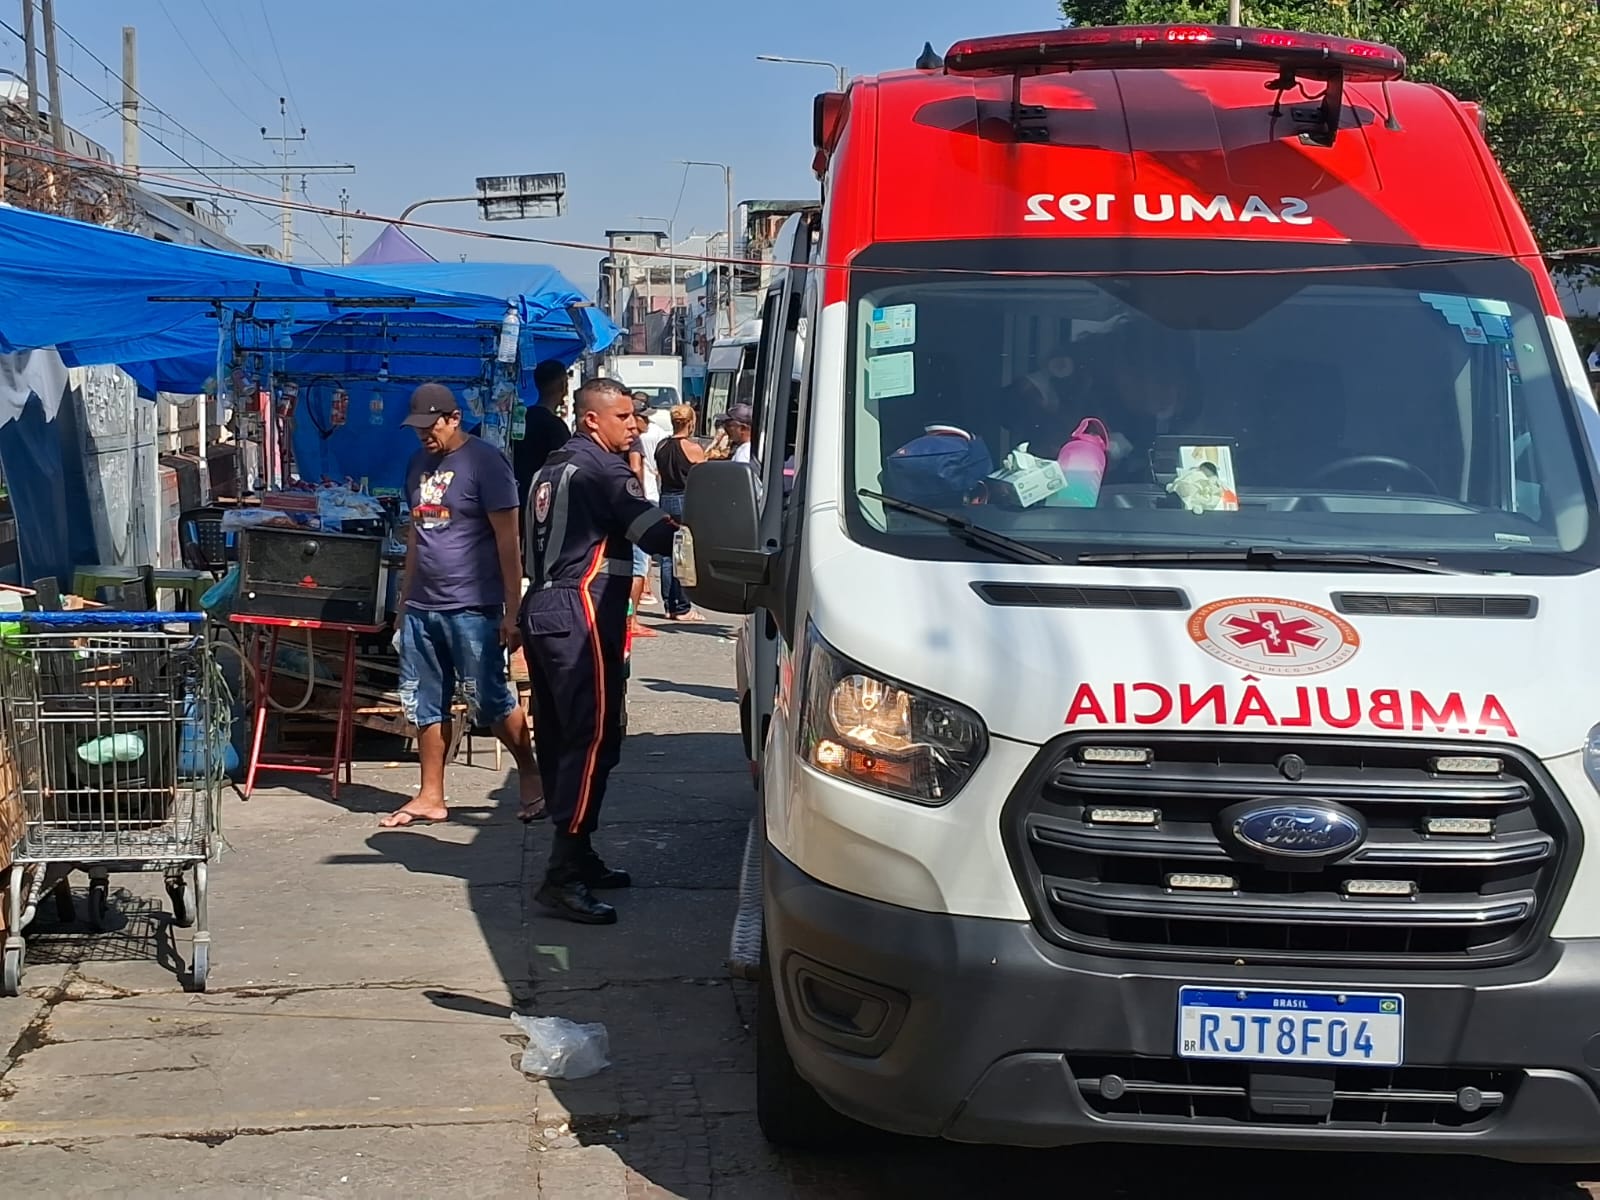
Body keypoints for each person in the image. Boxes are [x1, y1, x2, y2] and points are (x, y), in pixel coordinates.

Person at [520, 378, 677, 924]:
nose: (634, 426)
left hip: (543, 606)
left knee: (563, 736)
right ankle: (561, 872)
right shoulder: (602, 469)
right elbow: (656, 534)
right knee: (591, 739)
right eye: (625, 417)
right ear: (593, 419)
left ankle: (578, 854)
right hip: (580, 611)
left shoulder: (551, 466)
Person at [383, 383, 544, 828]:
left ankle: (529, 773)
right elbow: (417, 534)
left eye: (430, 425)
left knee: (489, 698)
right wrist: (403, 600)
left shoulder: (485, 463)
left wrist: (513, 610)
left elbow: (508, 541)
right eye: (417, 428)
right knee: (423, 702)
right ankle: (430, 794)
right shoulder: (417, 465)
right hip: (422, 605)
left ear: (453, 417)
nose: (424, 435)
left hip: (474, 605)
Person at [654, 403, 706, 621]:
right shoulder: (693, 448)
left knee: (667, 554)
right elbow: (702, 475)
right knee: (685, 554)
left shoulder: (661, 446)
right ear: (691, 422)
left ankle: (669, 605)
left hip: (665, 498)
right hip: (684, 499)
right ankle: (683, 606)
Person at [513, 359, 572, 514]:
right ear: (562, 385)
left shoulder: (520, 419)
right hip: (543, 504)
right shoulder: (555, 426)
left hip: (515, 497)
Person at [625, 397, 660, 640]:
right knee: (638, 565)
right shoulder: (634, 440)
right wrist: (638, 494)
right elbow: (636, 467)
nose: (647, 421)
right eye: (643, 416)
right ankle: (632, 619)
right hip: (639, 503)